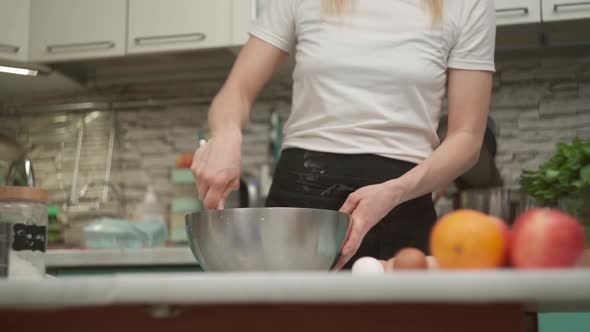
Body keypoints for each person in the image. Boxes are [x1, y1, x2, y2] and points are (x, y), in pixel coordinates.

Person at [192, 0, 496, 270]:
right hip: (299, 208)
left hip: (401, 204)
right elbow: (237, 90)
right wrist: (226, 133)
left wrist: (397, 190)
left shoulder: (469, 4)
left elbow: (467, 137)